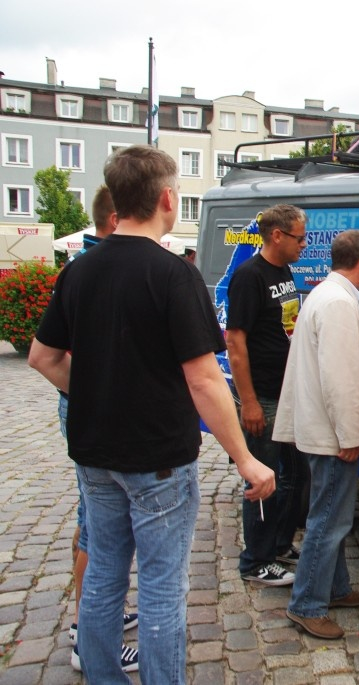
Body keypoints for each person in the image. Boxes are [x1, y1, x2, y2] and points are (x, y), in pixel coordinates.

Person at [28, 145, 276, 684]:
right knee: (163, 586)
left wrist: (98, 391)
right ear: (167, 197)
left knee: (103, 579)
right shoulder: (173, 274)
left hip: (94, 456)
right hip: (158, 459)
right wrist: (246, 459)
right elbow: (205, 378)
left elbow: (42, 358)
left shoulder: (79, 272)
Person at [274, 230, 359, 639]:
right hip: (333, 435)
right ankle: (307, 604)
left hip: (323, 429)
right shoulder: (337, 303)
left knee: (332, 516)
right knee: (328, 521)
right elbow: (341, 381)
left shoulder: (325, 295)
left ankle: (334, 588)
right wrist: (349, 435)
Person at [59, 185, 140, 672]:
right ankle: (87, 636)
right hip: (91, 412)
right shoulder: (91, 272)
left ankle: (93, 621)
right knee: (95, 528)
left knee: (89, 519)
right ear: (117, 219)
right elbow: (54, 355)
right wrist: (101, 392)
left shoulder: (84, 267)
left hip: (82, 409)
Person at [226, 204, 310, 586]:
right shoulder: (249, 277)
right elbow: (236, 342)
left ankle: (277, 545)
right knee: (263, 478)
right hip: (263, 395)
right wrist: (251, 401)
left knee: (294, 476)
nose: (304, 245)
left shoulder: (284, 271)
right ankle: (254, 561)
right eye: (299, 237)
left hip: (287, 391)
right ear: (277, 235)